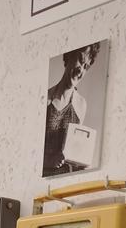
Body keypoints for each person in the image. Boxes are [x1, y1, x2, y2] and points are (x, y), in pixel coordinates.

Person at [43, 43, 101, 177]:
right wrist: (49, 161)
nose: (81, 70)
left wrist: (82, 163)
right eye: (80, 60)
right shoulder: (45, 99)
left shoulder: (81, 104)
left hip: (68, 179)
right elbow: (29, 153)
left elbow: (74, 153)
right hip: (45, 180)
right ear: (69, 56)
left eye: (86, 67)